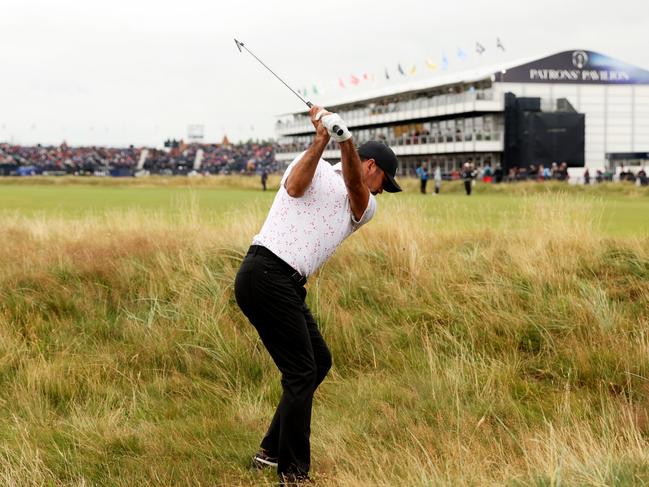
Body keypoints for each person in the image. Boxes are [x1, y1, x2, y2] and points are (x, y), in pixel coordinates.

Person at [234, 105, 401, 485]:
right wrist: (322, 139)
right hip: (263, 271)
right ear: (372, 165)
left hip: (285, 282)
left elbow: (356, 189)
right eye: (384, 181)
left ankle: (270, 452)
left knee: (317, 362)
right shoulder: (314, 165)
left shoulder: (365, 204)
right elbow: (295, 187)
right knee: (300, 370)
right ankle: (293, 473)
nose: (381, 192)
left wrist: (346, 141)